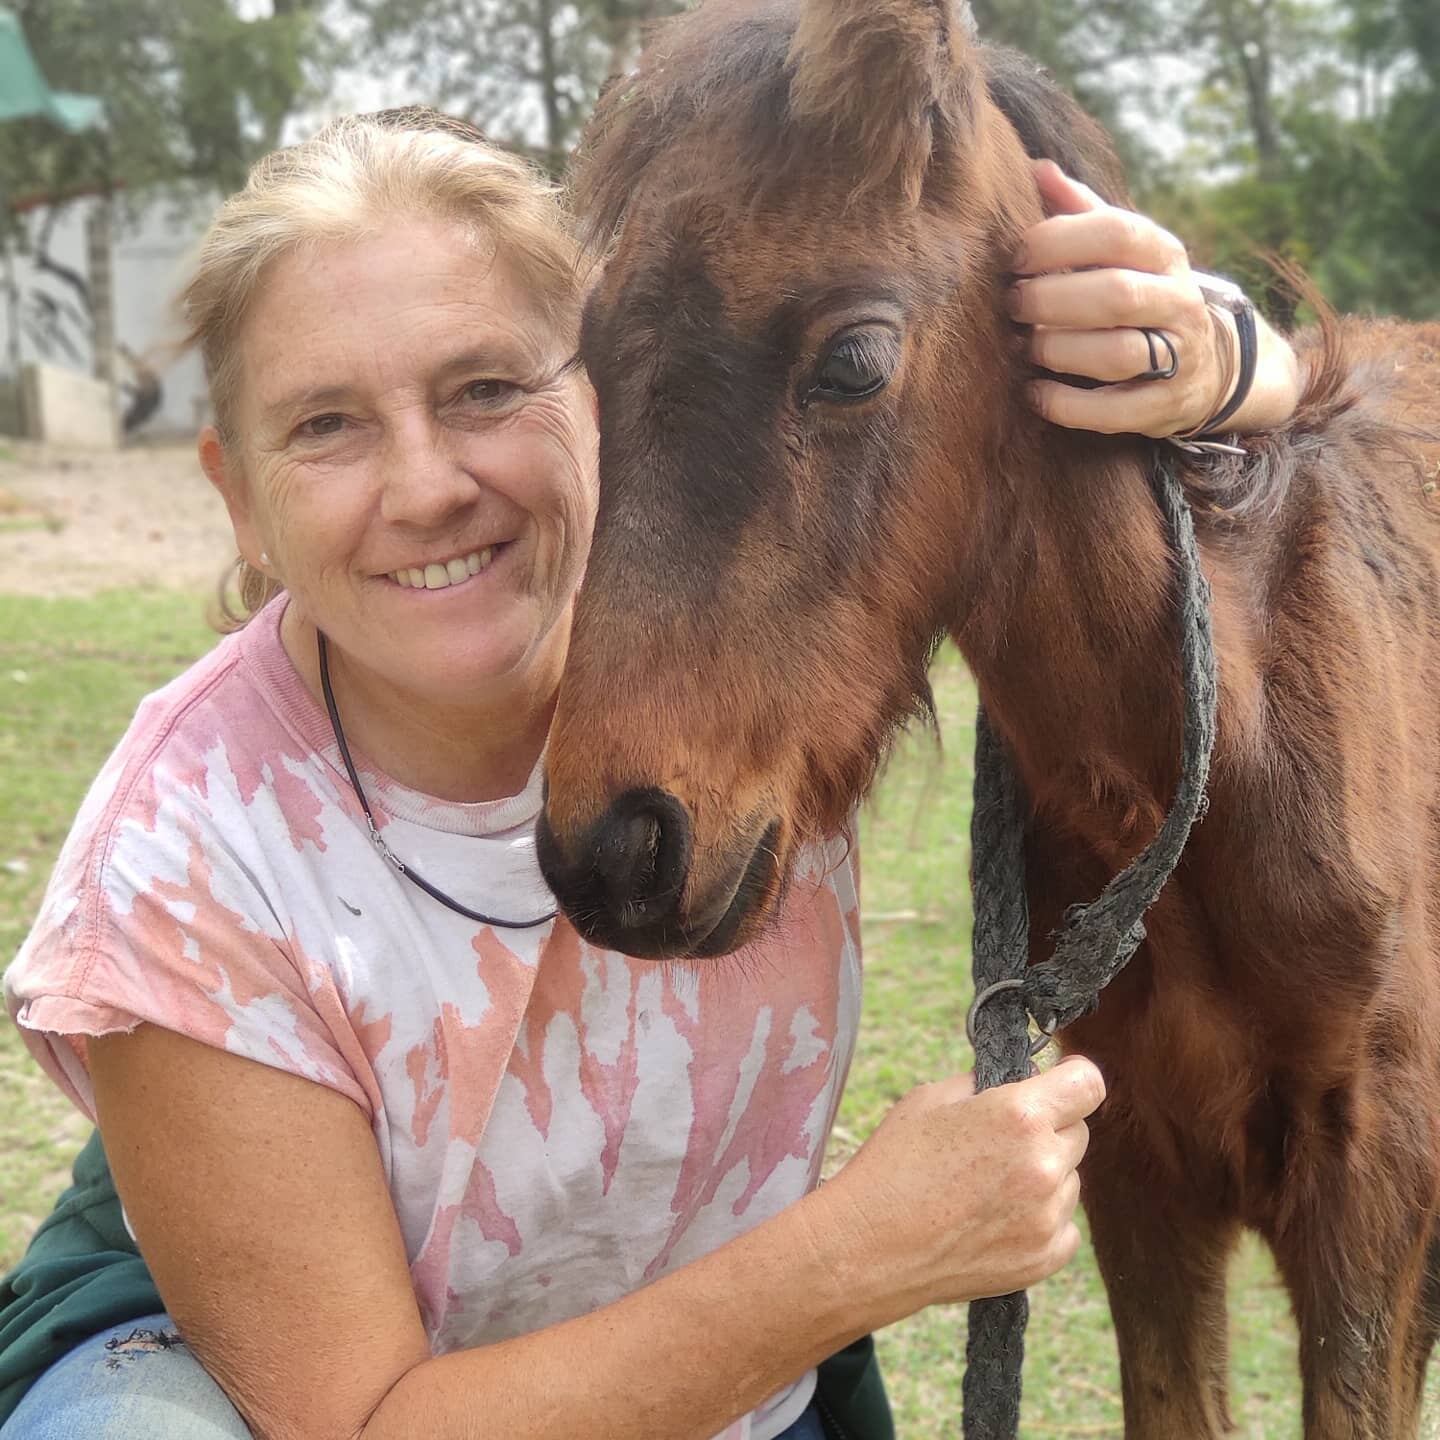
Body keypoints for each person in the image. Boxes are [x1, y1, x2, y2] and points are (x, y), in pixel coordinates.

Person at [1, 109, 1301, 1440]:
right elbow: (362, 1421)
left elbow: (974, 395)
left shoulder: (748, 636)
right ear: (237, 496)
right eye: (326, 425)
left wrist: (1224, 351)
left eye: (484, 390)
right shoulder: (182, 855)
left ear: (617, 399)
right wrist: (859, 1253)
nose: (426, 486)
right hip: (268, 1384)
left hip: (696, 1366)